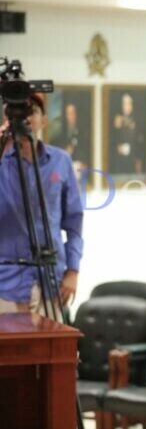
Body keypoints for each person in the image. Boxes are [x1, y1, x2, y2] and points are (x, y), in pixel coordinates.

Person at [0, 94, 84, 317]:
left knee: (53, 352)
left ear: (43, 120)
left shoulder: (61, 161)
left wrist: (73, 271)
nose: (25, 118)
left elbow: (74, 224)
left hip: (51, 282)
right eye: (18, 112)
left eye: (31, 111)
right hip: (6, 285)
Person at [112, 93, 144, 174]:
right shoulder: (117, 119)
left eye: (128, 104)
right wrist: (117, 128)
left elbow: (139, 140)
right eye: (125, 104)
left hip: (133, 158)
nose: (127, 106)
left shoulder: (137, 120)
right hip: (120, 160)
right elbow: (114, 140)